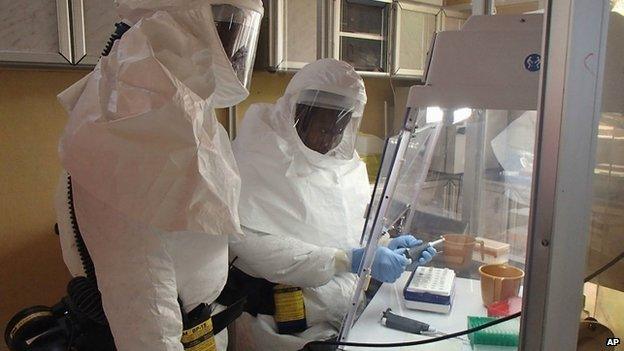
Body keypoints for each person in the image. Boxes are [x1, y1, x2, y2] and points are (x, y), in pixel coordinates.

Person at [54, 1, 263, 350]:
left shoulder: (184, 112)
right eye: (226, 26)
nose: (238, 48)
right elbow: (140, 295)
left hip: (197, 325)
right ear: (179, 22)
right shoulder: (126, 125)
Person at [229, 58, 436, 350]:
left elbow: (352, 226)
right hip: (279, 326)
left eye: (338, 131)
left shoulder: (343, 165)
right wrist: (347, 259)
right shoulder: (257, 156)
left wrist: (385, 245)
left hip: (340, 315)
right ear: (297, 112)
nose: (329, 141)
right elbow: (250, 245)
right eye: (323, 130)